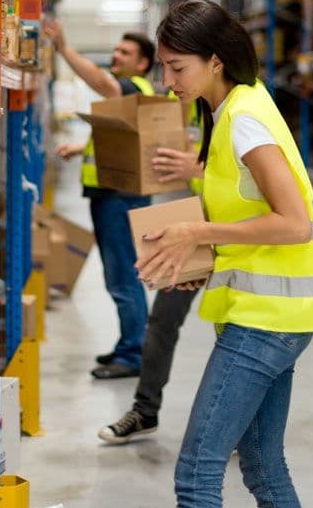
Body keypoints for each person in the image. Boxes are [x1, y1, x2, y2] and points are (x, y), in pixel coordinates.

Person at [136, 0, 313, 508]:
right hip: (273, 313)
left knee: (196, 475)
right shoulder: (234, 105)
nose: (168, 80)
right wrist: (201, 260)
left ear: (215, 61)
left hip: (267, 322)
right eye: (164, 65)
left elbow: (294, 223)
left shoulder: (245, 119)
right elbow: (246, 204)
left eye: (176, 67)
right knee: (262, 465)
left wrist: (197, 231)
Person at [43, 18, 157, 380]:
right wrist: (82, 147)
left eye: (125, 52)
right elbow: (120, 140)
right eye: (116, 49)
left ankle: (134, 354)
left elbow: (104, 83)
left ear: (142, 64)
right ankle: (129, 345)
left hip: (119, 198)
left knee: (124, 277)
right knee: (119, 275)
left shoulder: (130, 87)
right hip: (111, 195)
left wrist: (63, 48)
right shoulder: (128, 96)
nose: (116, 55)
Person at [98, 114, 205, 444]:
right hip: (190, 226)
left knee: (236, 332)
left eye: (177, 66)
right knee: (161, 321)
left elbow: (263, 173)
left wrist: (201, 169)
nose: (171, 79)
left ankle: (244, 429)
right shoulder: (180, 105)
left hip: (236, 232)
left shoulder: (245, 104)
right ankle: (145, 412)